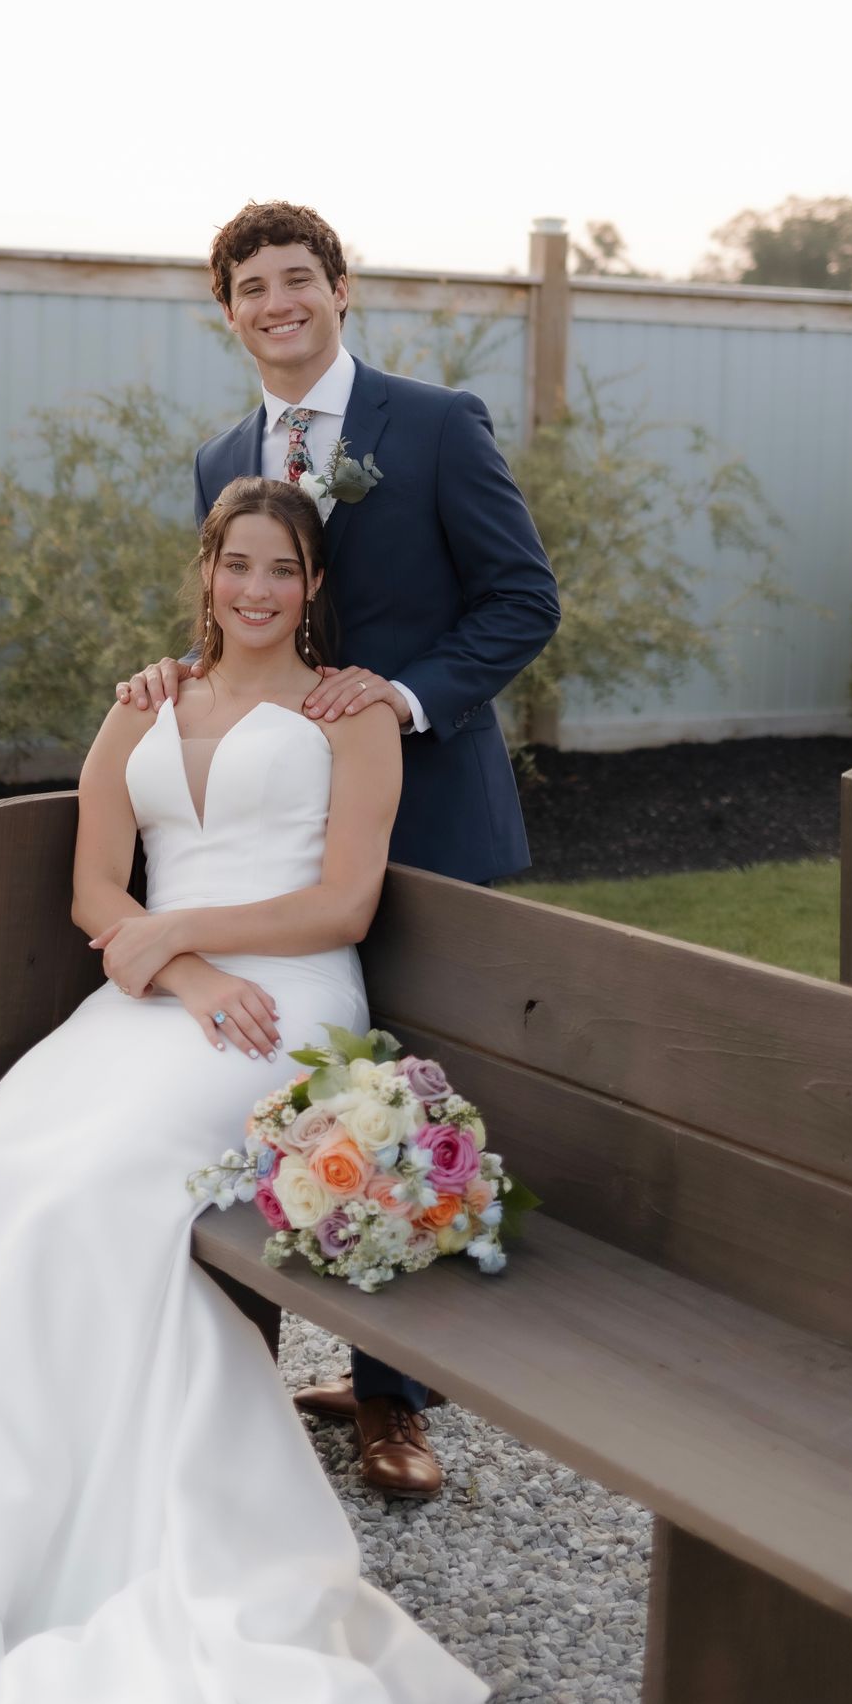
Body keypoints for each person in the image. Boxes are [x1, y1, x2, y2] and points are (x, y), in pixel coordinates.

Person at [0, 478, 487, 1704]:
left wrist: (188, 944)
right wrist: (172, 960)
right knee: (11, 1160)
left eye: (283, 571)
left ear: (313, 588)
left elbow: (345, 899)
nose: (257, 590)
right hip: (168, 995)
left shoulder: (350, 714)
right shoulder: (140, 701)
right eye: (237, 564)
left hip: (286, 1005)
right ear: (205, 573)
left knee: (89, 1188)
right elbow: (92, 888)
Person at [116, 198, 560, 1496]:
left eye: (297, 278)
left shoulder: (434, 425)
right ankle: (244, 1371)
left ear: (340, 288)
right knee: (274, 1094)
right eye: (251, 287)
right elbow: (241, 625)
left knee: (401, 1100)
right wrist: (179, 683)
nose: (277, 303)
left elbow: (520, 599)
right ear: (230, 312)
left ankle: (393, 1402)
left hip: (425, 824)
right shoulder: (220, 459)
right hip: (274, 852)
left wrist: (402, 700)